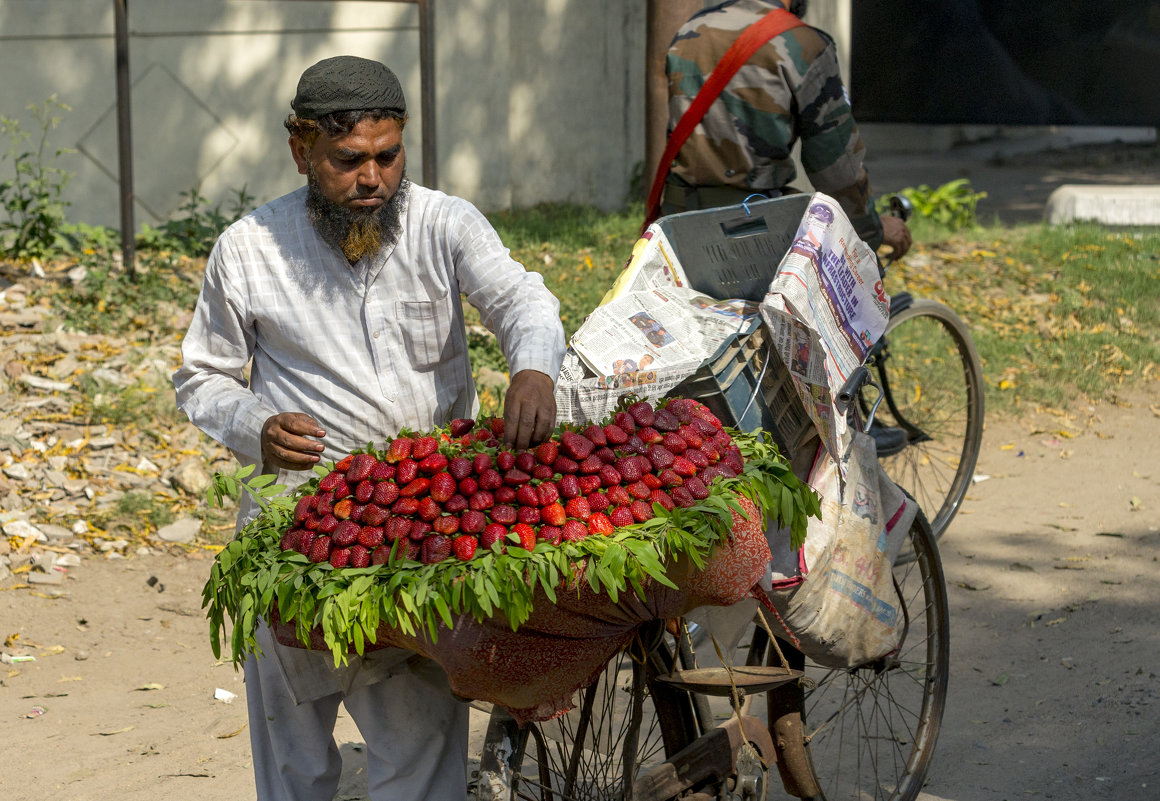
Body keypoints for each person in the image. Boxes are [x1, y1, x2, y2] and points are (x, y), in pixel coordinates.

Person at [171, 56, 566, 801]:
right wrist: (255, 423)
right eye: (348, 161)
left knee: (418, 763)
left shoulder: (443, 225)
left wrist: (534, 368)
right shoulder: (250, 249)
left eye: (388, 156)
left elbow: (523, 301)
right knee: (293, 770)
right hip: (296, 538)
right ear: (300, 149)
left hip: (425, 538)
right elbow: (201, 376)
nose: (372, 178)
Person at [661, 0, 912, 261]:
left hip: (675, 226)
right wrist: (870, 232)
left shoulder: (690, 29)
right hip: (750, 234)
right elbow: (837, 169)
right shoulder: (803, 43)